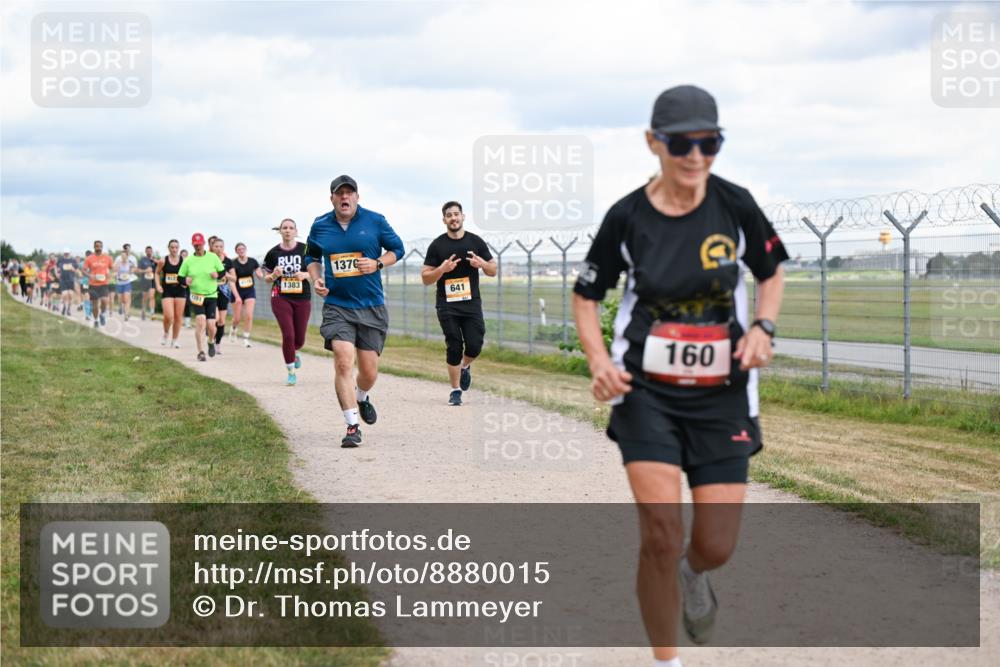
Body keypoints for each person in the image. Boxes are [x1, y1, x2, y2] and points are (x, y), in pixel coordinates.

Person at [571, 85, 787, 667]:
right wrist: (598, 361)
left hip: (723, 395)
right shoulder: (627, 217)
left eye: (709, 143)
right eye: (682, 143)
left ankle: (696, 576)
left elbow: (771, 271)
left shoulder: (735, 205)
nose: (696, 157)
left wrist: (764, 326)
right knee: (661, 533)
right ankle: (667, 660)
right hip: (646, 393)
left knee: (715, 544)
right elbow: (587, 295)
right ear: (654, 143)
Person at [305, 175, 404, 447]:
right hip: (338, 305)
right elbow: (311, 257)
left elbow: (398, 249)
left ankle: (361, 397)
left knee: (369, 371)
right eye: (340, 194)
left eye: (349, 193)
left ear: (357, 197)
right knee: (343, 360)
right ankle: (352, 425)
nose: (345, 198)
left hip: (371, 306)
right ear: (332, 198)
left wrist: (378, 263)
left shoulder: (375, 221)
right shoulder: (320, 225)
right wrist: (317, 279)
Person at [422, 201, 496, 405]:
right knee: (454, 344)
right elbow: (426, 278)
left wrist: (481, 264)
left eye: (456, 214)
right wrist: (442, 270)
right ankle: (455, 391)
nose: (453, 218)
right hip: (447, 304)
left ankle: (464, 366)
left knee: (475, 344)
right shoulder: (437, 245)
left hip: (471, 302)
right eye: (449, 215)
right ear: (444, 220)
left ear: (463, 217)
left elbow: (493, 270)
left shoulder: (476, 242)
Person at [263, 219, 312, 385]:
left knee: (299, 339)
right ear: (280, 231)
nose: (288, 231)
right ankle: (291, 371)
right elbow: (266, 278)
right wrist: (274, 276)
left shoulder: (305, 249)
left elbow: (317, 271)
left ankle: (293, 352)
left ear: (296, 231)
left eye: (291, 228)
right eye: (285, 228)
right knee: (288, 334)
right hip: (280, 296)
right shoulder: (273, 253)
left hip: (302, 296)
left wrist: (306, 275)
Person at [178, 233, 224, 361]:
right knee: (200, 322)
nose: (198, 246)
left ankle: (210, 341)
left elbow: (222, 272)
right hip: (196, 296)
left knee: (211, 325)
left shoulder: (213, 257)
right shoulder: (188, 261)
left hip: (211, 295)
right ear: (193, 245)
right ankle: (201, 352)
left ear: (204, 244)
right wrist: (184, 280)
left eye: (200, 244)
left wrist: (217, 275)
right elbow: (180, 277)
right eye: (195, 245)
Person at [230, 242, 262, 347]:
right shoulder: (233, 263)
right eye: (239, 249)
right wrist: (237, 296)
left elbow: (259, 271)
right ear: (236, 251)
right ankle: (233, 329)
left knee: (248, 315)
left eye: (243, 248)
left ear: (246, 249)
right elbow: (232, 281)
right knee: (237, 318)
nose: (241, 250)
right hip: (237, 291)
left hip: (249, 291)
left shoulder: (252, 261)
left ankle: (246, 338)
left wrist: (259, 274)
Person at [156, 239, 185, 348]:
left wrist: (186, 282)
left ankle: (175, 340)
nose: (174, 249)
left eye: (176, 247)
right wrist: (158, 285)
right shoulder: (163, 260)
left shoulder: (183, 260)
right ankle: (166, 333)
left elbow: (189, 273)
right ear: (168, 248)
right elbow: (157, 273)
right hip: (167, 290)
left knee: (178, 317)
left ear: (179, 248)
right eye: (172, 247)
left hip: (180, 290)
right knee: (169, 316)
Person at [210, 237, 234, 355]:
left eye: (221, 246)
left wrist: (224, 273)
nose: (219, 249)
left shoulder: (228, 261)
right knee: (216, 318)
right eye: (216, 246)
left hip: (223, 293)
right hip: (211, 292)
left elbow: (234, 278)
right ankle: (210, 339)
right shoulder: (207, 260)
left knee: (221, 321)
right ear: (212, 247)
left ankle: (217, 343)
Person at [83, 240, 114, 327]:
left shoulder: (107, 258)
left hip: (104, 283)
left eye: (100, 246)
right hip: (93, 284)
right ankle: (96, 320)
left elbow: (112, 268)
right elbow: (83, 270)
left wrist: (109, 275)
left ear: (102, 247)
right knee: (95, 305)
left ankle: (102, 314)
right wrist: (89, 276)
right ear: (94, 247)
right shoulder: (89, 258)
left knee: (104, 300)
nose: (98, 248)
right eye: (97, 246)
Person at [113, 244, 137, 320]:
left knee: (127, 298)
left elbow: (134, 268)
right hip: (119, 283)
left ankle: (126, 314)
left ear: (127, 256)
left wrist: (130, 272)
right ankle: (122, 307)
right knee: (121, 299)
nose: (123, 257)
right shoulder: (118, 262)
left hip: (127, 283)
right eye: (122, 255)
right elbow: (114, 271)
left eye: (124, 256)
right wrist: (116, 273)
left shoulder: (130, 262)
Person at [137, 245, 158, 320]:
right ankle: (143, 311)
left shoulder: (155, 260)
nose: (149, 252)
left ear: (152, 251)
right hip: (144, 281)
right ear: (145, 251)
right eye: (147, 251)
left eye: (150, 251)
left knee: (152, 296)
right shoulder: (142, 260)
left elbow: (160, 269)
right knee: (145, 297)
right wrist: (145, 270)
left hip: (152, 281)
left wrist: (157, 262)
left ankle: (152, 313)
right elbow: (138, 270)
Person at [57, 249, 78, 316]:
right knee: (65, 294)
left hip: (71, 280)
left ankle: (68, 309)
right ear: (64, 253)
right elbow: (56, 267)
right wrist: (57, 273)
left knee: (71, 295)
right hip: (63, 279)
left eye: (67, 253)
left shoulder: (73, 260)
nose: (66, 254)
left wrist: (73, 269)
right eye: (65, 253)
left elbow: (76, 270)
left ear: (69, 253)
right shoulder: (60, 260)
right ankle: (64, 306)